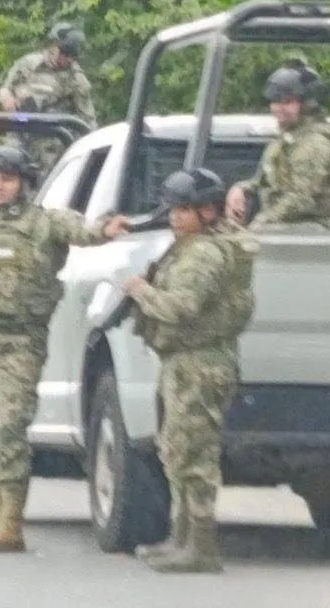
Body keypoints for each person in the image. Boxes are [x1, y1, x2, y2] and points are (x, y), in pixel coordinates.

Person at [0, 145, 130, 553]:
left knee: (8, 429)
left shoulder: (45, 224)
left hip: (19, 344)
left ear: (23, 183)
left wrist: (106, 229)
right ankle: (2, 511)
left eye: (7, 179)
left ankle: (9, 524)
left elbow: (84, 231)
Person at [125, 168, 256, 573]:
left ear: (208, 211)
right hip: (184, 361)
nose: (175, 217)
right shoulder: (193, 246)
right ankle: (180, 539)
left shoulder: (202, 254)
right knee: (177, 450)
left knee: (194, 455)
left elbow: (181, 308)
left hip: (199, 363)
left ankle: (201, 546)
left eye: (184, 210)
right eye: (174, 209)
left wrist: (140, 291)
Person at [226, 59, 330, 229]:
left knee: (255, 240)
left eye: (287, 102)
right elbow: (266, 181)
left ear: (307, 104)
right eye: (275, 101)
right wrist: (242, 189)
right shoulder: (289, 138)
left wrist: (261, 222)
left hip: (324, 225)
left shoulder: (315, 143)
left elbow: (301, 198)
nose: (278, 108)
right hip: (297, 222)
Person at [0, 22, 97, 126]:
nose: (67, 59)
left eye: (72, 55)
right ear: (53, 46)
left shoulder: (77, 80)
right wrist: (8, 101)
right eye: (64, 52)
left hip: (56, 135)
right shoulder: (29, 64)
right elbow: (5, 88)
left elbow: (88, 121)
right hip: (20, 130)